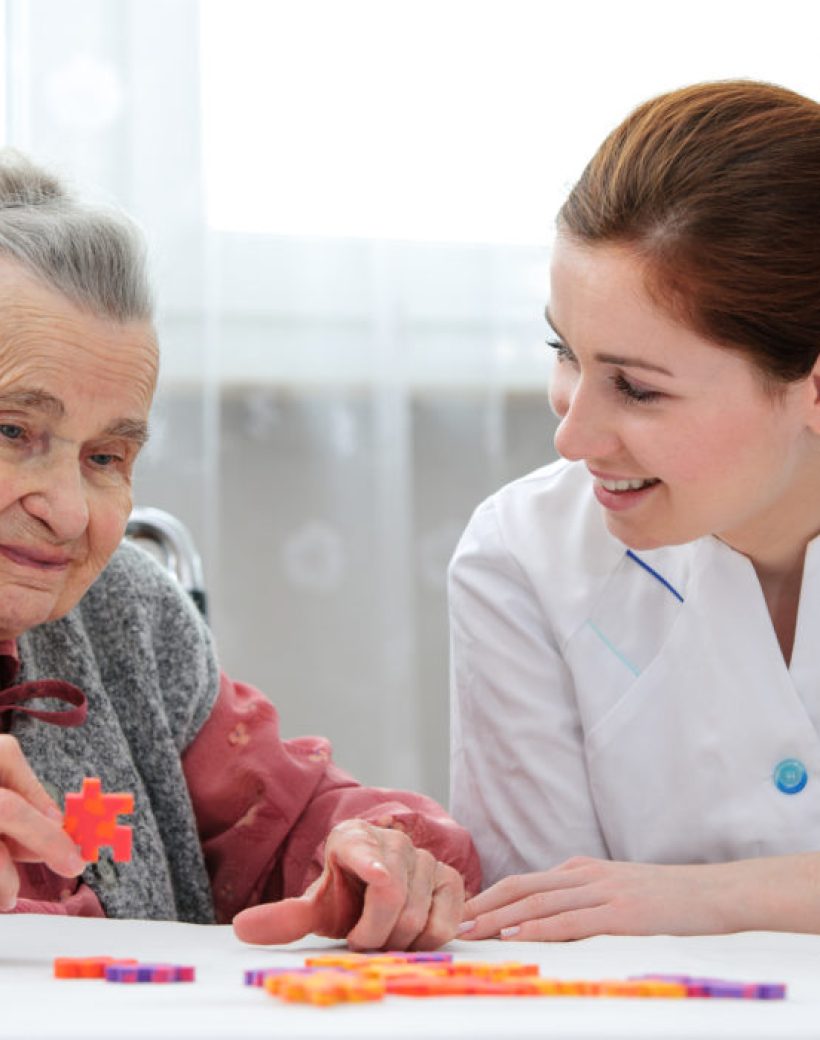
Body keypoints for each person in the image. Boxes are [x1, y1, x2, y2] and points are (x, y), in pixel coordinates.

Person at [0, 148, 479, 951]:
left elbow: (289, 822)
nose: (69, 510)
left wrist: (371, 853)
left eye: (106, 458)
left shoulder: (130, 614)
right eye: (13, 431)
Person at [449, 80, 820, 942]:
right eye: (564, 353)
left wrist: (718, 899)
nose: (572, 438)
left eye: (639, 389)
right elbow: (549, 925)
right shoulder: (519, 558)